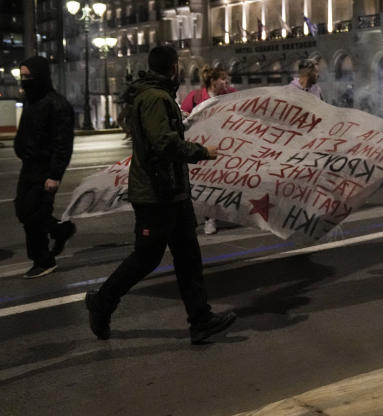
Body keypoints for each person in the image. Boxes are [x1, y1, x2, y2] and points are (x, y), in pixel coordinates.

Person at [85, 45, 236, 344]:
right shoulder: (155, 97)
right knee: (146, 258)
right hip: (156, 193)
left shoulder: (159, 93)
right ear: (173, 66)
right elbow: (163, 143)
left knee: (188, 256)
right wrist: (202, 152)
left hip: (172, 191)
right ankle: (102, 301)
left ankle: (200, 320)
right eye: (178, 63)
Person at [14, 56, 76, 278]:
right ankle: (61, 229)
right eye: (22, 76)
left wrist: (54, 175)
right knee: (23, 210)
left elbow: (63, 144)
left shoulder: (57, 105)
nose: (24, 80)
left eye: (29, 76)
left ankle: (43, 260)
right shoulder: (32, 101)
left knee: (35, 214)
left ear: (40, 77)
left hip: (45, 167)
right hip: (29, 165)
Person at [181, 65, 234, 235]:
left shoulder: (231, 93)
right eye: (223, 79)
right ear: (213, 81)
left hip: (224, 144)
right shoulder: (195, 97)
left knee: (221, 181)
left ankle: (217, 214)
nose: (226, 82)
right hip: (202, 147)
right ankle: (209, 218)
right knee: (206, 182)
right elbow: (182, 116)